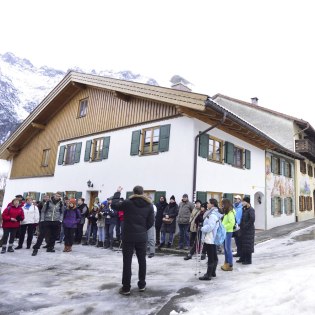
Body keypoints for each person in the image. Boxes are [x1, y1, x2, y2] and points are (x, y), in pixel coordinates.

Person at [111, 185, 154, 296]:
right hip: (141, 237)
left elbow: (114, 205)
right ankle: (142, 285)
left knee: (127, 262)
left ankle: (126, 288)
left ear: (133, 192)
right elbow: (150, 222)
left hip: (128, 236)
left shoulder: (128, 202)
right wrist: (143, 229)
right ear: (142, 192)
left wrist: (117, 192)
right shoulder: (149, 205)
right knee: (142, 261)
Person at [32, 192, 64, 256]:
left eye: (59, 196)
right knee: (42, 235)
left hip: (56, 221)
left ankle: (50, 247)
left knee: (53, 235)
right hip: (47, 220)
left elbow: (62, 212)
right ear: (54, 196)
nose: (57, 197)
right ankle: (36, 248)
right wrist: (42, 220)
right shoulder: (48, 202)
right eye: (56, 196)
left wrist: (60, 220)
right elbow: (43, 211)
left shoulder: (60, 203)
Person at [199, 198, 222, 280]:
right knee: (214, 256)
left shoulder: (212, 215)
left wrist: (202, 228)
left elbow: (210, 227)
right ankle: (212, 272)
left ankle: (208, 274)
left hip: (210, 238)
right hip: (213, 237)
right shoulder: (215, 213)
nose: (207, 204)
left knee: (211, 257)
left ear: (212, 204)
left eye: (208, 203)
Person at [237, 197, 255, 265]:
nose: (242, 203)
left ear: (247, 202)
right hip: (242, 229)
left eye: (243, 201)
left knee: (248, 245)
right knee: (242, 244)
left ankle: (248, 260)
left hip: (248, 230)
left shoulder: (251, 210)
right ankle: (242, 258)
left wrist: (245, 226)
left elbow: (252, 220)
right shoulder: (244, 209)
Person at [221, 199, 236, 271]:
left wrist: (223, 227)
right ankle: (226, 263)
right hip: (225, 232)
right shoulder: (226, 212)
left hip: (228, 232)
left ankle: (230, 264)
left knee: (228, 248)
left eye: (223, 204)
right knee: (225, 248)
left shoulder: (230, 213)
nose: (222, 205)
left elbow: (231, 223)